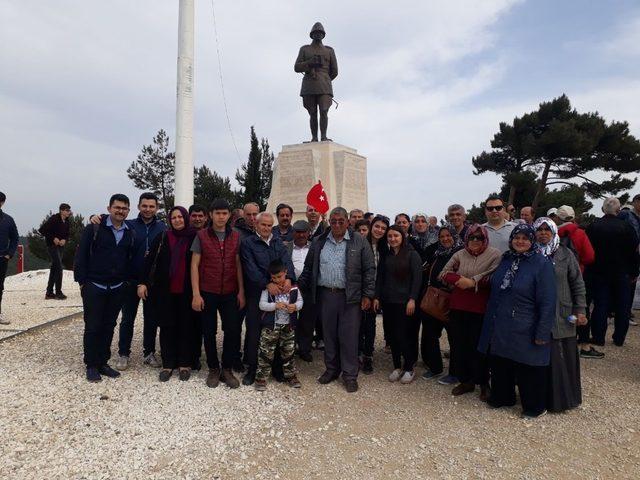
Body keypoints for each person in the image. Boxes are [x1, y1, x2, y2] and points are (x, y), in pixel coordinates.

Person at [478, 224, 556, 419]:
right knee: (500, 362)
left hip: (526, 323)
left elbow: (548, 301)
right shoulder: (506, 259)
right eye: (516, 238)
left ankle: (534, 406)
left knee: (529, 366)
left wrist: (542, 332)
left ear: (532, 241)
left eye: (525, 238)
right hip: (501, 321)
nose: (520, 241)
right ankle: (503, 397)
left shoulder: (541, 263)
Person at [298, 207, 376, 393]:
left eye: (341, 221)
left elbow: (369, 270)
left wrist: (367, 294)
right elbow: (309, 268)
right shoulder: (319, 241)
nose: (337, 224)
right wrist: (298, 287)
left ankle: (350, 375)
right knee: (329, 335)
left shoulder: (359, 241)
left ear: (348, 222)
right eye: (334, 221)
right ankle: (332, 370)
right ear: (329, 221)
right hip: (326, 295)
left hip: (351, 296)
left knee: (348, 337)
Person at [91, 193, 167, 370]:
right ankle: (124, 353)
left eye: (151, 206)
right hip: (130, 279)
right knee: (127, 319)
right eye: (144, 206)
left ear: (157, 208)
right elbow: (109, 222)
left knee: (151, 319)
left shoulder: (163, 227)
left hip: (152, 282)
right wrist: (96, 217)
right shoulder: (129, 224)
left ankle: (149, 353)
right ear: (139, 207)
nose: (148, 209)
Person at [74, 194, 136, 382]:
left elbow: (129, 259)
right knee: (93, 326)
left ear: (128, 211)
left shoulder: (129, 232)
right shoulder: (94, 228)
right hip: (94, 285)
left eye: (124, 208)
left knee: (109, 325)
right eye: (117, 207)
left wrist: (125, 282)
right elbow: (81, 255)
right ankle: (91, 364)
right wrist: (82, 282)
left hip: (117, 287)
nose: (120, 211)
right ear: (109, 208)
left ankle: (103, 362)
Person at [439, 224, 501, 400]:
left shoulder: (494, 254)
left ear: (485, 239)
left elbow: (493, 277)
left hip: (480, 309)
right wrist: (460, 279)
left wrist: (473, 282)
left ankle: (483, 382)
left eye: (479, 238)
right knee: (460, 346)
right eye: (471, 237)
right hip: (459, 307)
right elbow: (444, 273)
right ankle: (466, 381)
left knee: (480, 347)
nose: (475, 241)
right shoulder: (459, 254)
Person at [138, 206, 197, 382]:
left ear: (186, 218)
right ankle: (168, 363)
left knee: (186, 327)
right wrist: (142, 282)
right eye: (174, 218)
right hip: (164, 291)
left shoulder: (194, 237)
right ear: (170, 220)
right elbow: (149, 261)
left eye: (180, 217)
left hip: (187, 291)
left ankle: (184, 363)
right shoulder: (163, 236)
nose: (177, 220)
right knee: (167, 327)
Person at [533, 217, 586, 412]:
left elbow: (577, 283)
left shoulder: (565, 254)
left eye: (547, 230)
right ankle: (539, 398)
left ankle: (564, 400)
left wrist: (580, 310)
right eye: (539, 230)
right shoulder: (531, 253)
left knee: (562, 357)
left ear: (554, 232)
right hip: (537, 314)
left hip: (561, 312)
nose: (543, 233)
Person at [191, 199, 244, 389]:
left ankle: (227, 369)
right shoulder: (202, 236)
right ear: (211, 215)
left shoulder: (236, 236)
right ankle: (213, 368)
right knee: (209, 331)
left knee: (232, 330)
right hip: (208, 291)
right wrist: (196, 294)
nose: (221, 216)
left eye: (225, 213)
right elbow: (194, 265)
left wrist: (241, 292)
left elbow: (238, 264)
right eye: (217, 213)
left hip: (230, 291)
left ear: (229, 215)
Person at [240, 212, 295, 385]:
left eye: (269, 225)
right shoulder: (248, 243)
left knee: (277, 330)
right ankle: (253, 368)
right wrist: (266, 284)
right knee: (255, 332)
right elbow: (250, 268)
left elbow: (287, 261)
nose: (266, 228)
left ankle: (276, 368)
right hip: (257, 293)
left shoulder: (278, 241)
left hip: (279, 293)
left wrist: (289, 278)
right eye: (263, 225)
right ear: (256, 225)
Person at [585, 197, 639, 347]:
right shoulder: (627, 228)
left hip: (599, 271)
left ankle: (598, 337)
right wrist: (634, 272)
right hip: (622, 272)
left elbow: (587, 251)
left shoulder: (594, 226)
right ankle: (619, 338)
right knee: (622, 306)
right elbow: (634, 252)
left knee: (601, 305)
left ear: (603, 209)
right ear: (618, 210)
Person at [373, 225, 422, 384]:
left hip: (405, 302)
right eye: (390, 236)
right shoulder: (386, 255)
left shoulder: (412, 254)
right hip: (389, 302)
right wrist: (377, 297)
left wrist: (412, 299)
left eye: (396, 236)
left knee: (404, 335)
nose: (392, 239)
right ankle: (396, 366)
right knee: (392, 336)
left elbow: (417, 279)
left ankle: (409, 367)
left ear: (402, 237)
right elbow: (380, 278)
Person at [418, 225, 463, 382]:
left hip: (453, 301)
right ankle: (435, 367)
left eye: (448, 235)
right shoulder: (436, 253)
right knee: (430, 335)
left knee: (454, 338)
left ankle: (455, 373)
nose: (445, 239)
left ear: (454, 236)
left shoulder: (462, 253)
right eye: (442, 236)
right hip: (434, 299)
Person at [255, 260, 303, 391]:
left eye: (280, 277)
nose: (277, 280)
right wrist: (274, 306)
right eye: (274, 278)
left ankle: (291, 376)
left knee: (289, 352)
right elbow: (262, 305)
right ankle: (261, 378)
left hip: (288, 326)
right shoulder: (268, 289)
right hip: (270, 327)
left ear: (286, 273)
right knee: (266, 352)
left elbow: (300, 302)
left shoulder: (294, 288)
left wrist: (295, 307)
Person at [294, 22, 338, 142]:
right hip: (309, 84)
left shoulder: (329, 50)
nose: (318, 35)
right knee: (312, 112)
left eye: (320, 33)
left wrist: (324, 78)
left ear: (323, 35)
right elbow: (297, 67)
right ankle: (314, 138)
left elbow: (334, 71)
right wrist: (309, 63)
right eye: (315, 33)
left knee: (324, 110)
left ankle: (323, 136)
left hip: (324, 85)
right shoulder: (304, 49)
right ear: (311, 34)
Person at [360, 215, 389, 373]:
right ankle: (356, 354)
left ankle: (368, 356)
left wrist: (376, 296)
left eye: (383, 228)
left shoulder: (385, 248)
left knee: (370, 325)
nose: (379, 230)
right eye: (377, 226)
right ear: (371, 226)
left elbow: (382, 275)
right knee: (357, 324)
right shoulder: (361, 243)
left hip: (375, 293)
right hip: (360, 291)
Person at [287, 220, 314, 362]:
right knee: (290, 319)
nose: (301, 234)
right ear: (293, 233)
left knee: (307, 320)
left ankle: (305, 349)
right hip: (291, 287)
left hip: (308, 288)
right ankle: (290, 348)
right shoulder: (287, 247)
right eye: (298, 232)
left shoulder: (314, 247)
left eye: (304, 232)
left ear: (309, 233)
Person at [39, 203, 72, 300]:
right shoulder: (54, 219)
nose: (68, 212)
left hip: (61, 247)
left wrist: (64, 240)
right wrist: (53, 238)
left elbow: (67, 234)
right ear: (61, 210)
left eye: (69, 210)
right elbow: (42, 230)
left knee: (54, 269)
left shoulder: (67, 221)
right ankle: (58, 292)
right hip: (52, 246)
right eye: (67, 210)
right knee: (59, 267)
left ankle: (49, 293)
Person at [618, 194, 640, 327]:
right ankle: (624, 314)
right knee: (627, 284)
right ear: (635, 202)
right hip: (626, 254)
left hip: (636, 254)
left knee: (632, 282)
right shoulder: (626, 215)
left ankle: (626, 312)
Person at [0, 191, 18, 325]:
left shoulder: (8, 220)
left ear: (2, 203)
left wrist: (9, 254)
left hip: (2, 258)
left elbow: (15, 238)